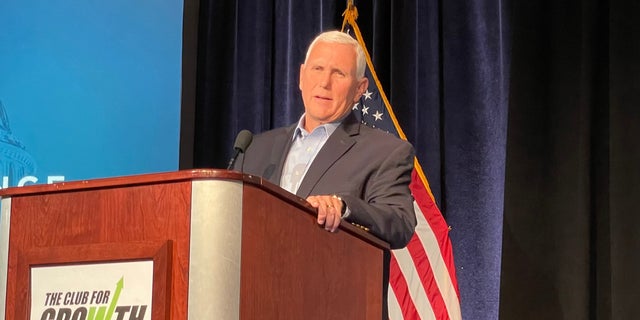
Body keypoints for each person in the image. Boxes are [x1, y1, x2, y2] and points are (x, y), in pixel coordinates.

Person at [235, 30, 416, 249]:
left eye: (339, 73)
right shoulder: (254, 149)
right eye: (317, 69)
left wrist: (344, 208)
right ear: (302, 76)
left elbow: (400, 223)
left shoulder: (385, 152)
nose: (324, 82)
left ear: (360, 89)